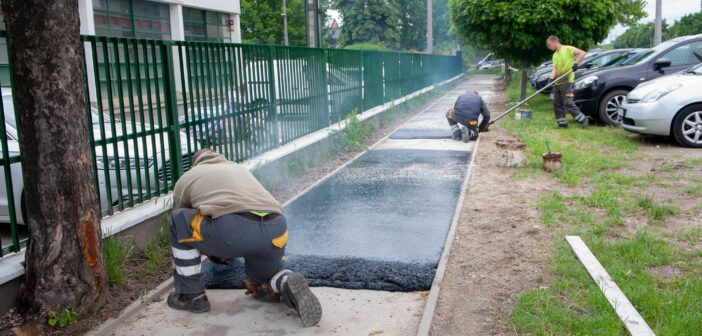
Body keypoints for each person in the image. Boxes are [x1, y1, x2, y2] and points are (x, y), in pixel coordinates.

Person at [166, 148, 322, 327]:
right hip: (276, 227)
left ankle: (191, 296)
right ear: (220, 158)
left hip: (233, 231)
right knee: (266, 277)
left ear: (196, 163)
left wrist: (213, 248)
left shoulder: (189, 176)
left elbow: (185, 228)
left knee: (177, 219)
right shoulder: (238, 168)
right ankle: (286, 283)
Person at [546, 35, 589, 128]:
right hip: (558, 81)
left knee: (568, 102)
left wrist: (576, 63)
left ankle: (583, 119)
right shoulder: (555, 55)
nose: (549, 48)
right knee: (557, 103)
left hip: (567, 80)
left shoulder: (568, 49)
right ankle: (562, 124)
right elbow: (555, 68)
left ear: (554, 42)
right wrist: (551, 79)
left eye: (549, 45)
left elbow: (582, 53)